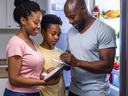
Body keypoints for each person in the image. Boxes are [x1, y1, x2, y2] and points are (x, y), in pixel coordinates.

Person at [60, 0, 117, 96]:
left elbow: (107, 66)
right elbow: (70, 58)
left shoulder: (104, 30)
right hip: (73, 89)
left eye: (72, 16)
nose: (70, 21)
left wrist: (77, 62)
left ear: (83, 10)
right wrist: (64, 62)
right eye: (68, 18)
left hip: (95, 91)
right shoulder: (70, 32)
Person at [4, 0, 60, 96]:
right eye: (35, 22)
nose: (39, 27)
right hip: (18, 93)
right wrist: (44, 82)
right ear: (23, 21)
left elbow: (34, 71)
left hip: (33, 92)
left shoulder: (31, 42)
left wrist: (47, 74)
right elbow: (14, 79)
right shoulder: (16, 43)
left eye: (40, 23)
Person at [38, 14, 65, 96]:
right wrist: (47, 74)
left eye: (59, 34)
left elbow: (61, 78)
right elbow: (33, 77)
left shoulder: (60, 53)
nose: (56, 37)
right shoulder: (36, 52)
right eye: (53, 34)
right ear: (43, 32)